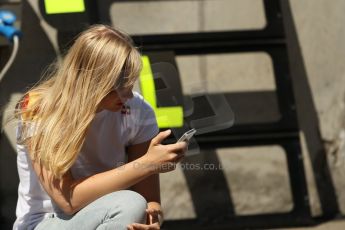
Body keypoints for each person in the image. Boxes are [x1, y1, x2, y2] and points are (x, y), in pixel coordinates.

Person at [12, 24, 187, 230]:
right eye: (121, 87)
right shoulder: (37, 108)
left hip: (106, 216)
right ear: (93, 81)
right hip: (45, 222)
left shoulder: (138, 110)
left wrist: (153, 218)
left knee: (134, 205)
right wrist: (147, 163)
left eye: (131, 85)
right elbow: (67, 201)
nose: (129, 95)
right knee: (130, 203)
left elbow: (149, 200)